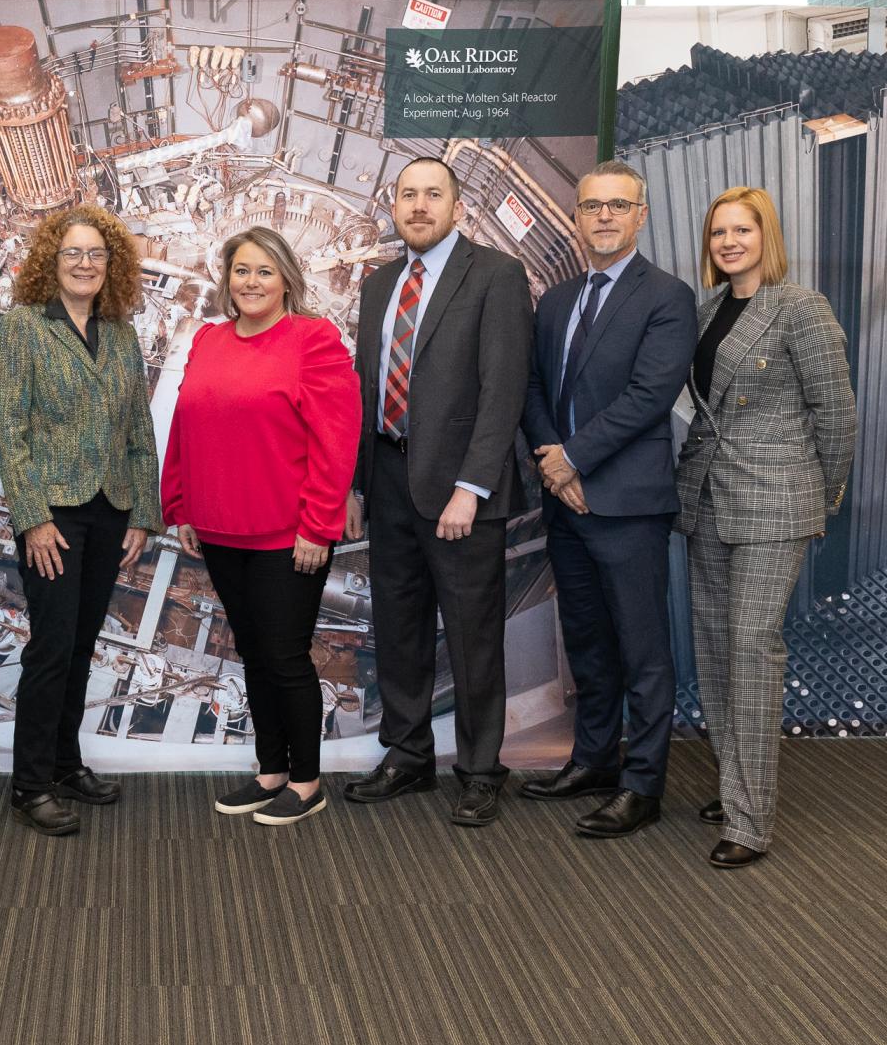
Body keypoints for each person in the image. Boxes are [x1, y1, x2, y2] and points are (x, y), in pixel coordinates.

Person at [343, 156, 532, 826]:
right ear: (393, 206)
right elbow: (367, 390)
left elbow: (502, 389)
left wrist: (471, 488)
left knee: (473, 635)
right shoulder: (378, 284)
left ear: (457, 208)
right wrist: (357, 484)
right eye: (408, 195)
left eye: (433, 195)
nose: (418, 205)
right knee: (397, 627)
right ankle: (408, 755)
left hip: (458, 490)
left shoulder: (497, 276)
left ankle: (481, 769)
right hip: (388, 479)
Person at [675, 187, 855, 869]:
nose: (728, 241)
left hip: (775, 503)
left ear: (765, 236)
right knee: (717, 648)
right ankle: (734, 784)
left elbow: (837, 415)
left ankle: (751, 821)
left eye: (742, 230)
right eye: (718, 231)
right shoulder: (708, 309)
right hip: (708, 499)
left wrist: (817, 500)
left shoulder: (800, 308)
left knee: (751, 650)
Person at [520, 160, 698, 837]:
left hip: (627, 503)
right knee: (587, 641)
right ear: (575, 216)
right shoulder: (558, 301)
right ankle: (594, 758)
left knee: (642, 648)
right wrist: (553, 463)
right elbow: (533, 387)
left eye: (617, 206)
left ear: (640, 216)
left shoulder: (666, 296)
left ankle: (643, 782)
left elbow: (649, 397)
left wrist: (573, 458)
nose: (603, 217)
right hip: (566, 500)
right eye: (591, 206)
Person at [161, 227, 360, 825]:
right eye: (241, 271)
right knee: (251, 653)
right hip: (221, 529)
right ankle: (270, 770)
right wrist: (181, 504)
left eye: (264, 272)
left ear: (286, 281)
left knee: (285, 656)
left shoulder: (313, 341)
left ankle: (307, 782)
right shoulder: (208, 340)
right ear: (227, 280)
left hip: (287, 535)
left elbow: (336, 439)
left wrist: (318, 525)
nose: (251, 283)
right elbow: (186, 426)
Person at [0, 205, 162, 836]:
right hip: (52, 517)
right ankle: (30, 784)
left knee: (83, 647)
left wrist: (144, 512)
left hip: (109, 511)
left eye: (96, 255)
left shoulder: (121, 334)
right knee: (53, 647)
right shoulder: (22, 329)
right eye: (72, 254)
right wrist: (30, 519)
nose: (85, 265)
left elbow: (139, 430)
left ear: (110, 265)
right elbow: (8, 429)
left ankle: (64, 764)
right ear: (49, 262)